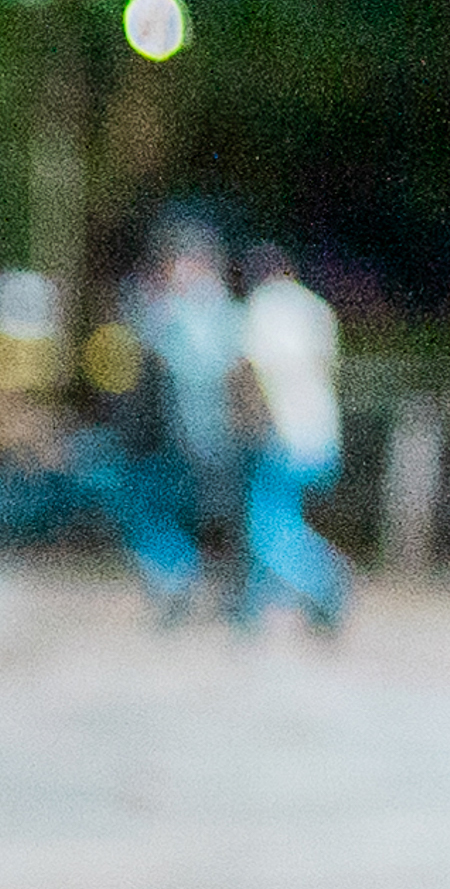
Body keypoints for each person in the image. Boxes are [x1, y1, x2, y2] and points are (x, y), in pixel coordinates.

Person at [116, 213, 244, 619]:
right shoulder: (213, 308)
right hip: (186, 438)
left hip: (192, 438)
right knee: (171, 514)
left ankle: (181, 580)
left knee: (161, 511)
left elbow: (192, 368)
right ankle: (183, 582)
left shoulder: (192, 308)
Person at [232, 241, 351, 638]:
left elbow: (251, 370)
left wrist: (249, 425)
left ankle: (327, 580)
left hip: (281, 433)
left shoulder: (262, 307)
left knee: (266, 529)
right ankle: (258, 608)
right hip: (320, 432)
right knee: (284, 518)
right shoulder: (316, 309)